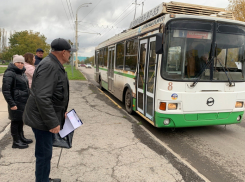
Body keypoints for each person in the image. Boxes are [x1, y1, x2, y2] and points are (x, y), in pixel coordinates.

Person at [23, 38, 76, 182]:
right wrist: (53, 122)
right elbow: (42, 97)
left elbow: (53, 94)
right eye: (70, 53)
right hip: (42, 120)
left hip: (43, 117)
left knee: (45, 153)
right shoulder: (50, 66)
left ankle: (44, 179)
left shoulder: (53, 63)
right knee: (44, 155)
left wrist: (61, 112)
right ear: (64, 52)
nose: (70, 56)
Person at [2, 55, 33, 149]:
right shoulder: (10, 73)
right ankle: (16, 141)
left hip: (23, 101)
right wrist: (12, 104)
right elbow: (6, 90)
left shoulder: (22, 73)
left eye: (22, 63)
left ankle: (21, 137)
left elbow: (26, 88)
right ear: (14, 63)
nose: (20, 64)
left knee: (20, 120)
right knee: (15, 121)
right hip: (15, 102)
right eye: (18, 62)